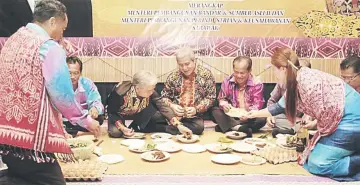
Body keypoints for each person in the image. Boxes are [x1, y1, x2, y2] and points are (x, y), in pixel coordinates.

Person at [0, 1, 100, 184]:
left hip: (6, 135)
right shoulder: (47, 47)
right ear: (53, 22)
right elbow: (62, 96)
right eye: (63, 28)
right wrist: (86, 121)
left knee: (21, 178)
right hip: (31, 140)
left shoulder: (14, 39)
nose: (63, 33)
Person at [247, 47, 360, 181]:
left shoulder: (308, 81)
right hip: (339, 120)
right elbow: (278, 107)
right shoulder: (297, 78)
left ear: (283, 69)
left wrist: (315, 124)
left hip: (351, 120)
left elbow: (329, 110)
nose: (274, 74)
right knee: (309, 158)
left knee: (318, 165)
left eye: (274, 69)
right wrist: (252, 114)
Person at [107, 70, 189, 138]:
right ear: (137, 88)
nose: (152, 92)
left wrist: (178, 125)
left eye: (153, 89)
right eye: (149, 90)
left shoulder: (150, 91)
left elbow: (162, 106)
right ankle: (135, 127)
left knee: (161, 114)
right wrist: (122, 128)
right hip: (119, 115)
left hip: (139, 113)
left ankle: (136, 126)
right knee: (116, 133)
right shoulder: (120, 92)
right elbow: (111, 111)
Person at [161, 47, 216, 135]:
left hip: (194, 116)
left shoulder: (206, 75)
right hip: (174, 114)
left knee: (199, 127)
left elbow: (211, 97)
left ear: (194, 61)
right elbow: (164, 97)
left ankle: (170, 128)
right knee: (154, 116)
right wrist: (172, 106)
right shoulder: (173, 76)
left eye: (187, 64)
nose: (184, 68)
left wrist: (196, 109)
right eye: (181, 65)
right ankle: (177, 127)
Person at [211, 56, 266, 137]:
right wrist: (224, 105)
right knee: (215, 111)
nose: (239, 76)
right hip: (231, 116)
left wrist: (248, 115)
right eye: (236, 72)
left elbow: (258, 104)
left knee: (262, 119)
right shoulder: (227, 81)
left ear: (249, 71)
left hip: (249, 116)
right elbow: (222, 99)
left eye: (242, 73)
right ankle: (239, 128)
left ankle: (227, 127)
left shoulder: (257, 83)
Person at [266, 59, 317, 137]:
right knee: (274, 119)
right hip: (285, 117)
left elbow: (314, 108)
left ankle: (290, 131)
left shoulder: (311, 87)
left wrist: (307, 117)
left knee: (311, 122)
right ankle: (292, 130)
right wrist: (270, 116)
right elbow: (272, 101)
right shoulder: (283, 83)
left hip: (300, 119)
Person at [63, 56, 105, 137]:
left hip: (84, 119)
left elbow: (97, 100)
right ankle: (79, 133)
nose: (72, 77)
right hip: (67, 119)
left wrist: (95, 108)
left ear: (80, 73)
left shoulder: (87, 83)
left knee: (99, 118)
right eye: (69, 73)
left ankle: (75, 133)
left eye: (76, 73)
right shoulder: (59, 86)